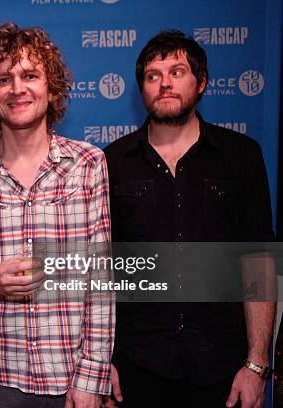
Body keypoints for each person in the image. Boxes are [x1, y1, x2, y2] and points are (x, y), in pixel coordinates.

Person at [0, 22, 114, 408]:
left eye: (30, 75)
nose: (17, 89)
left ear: (51, 88)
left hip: (67, 374)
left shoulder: (88, 164)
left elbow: (100, 278)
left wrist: (92, 376)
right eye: (4, 79)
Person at [104, 30, 275, 407]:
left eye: (176, 71)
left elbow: (259, 263)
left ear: (201, 84)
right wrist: (103, 363)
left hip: (222, 369)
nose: (164, 83)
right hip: (136, 367)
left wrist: (257, 364)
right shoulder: (111, 162)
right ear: (142, 89)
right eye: (152, 75)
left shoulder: (240, 156)